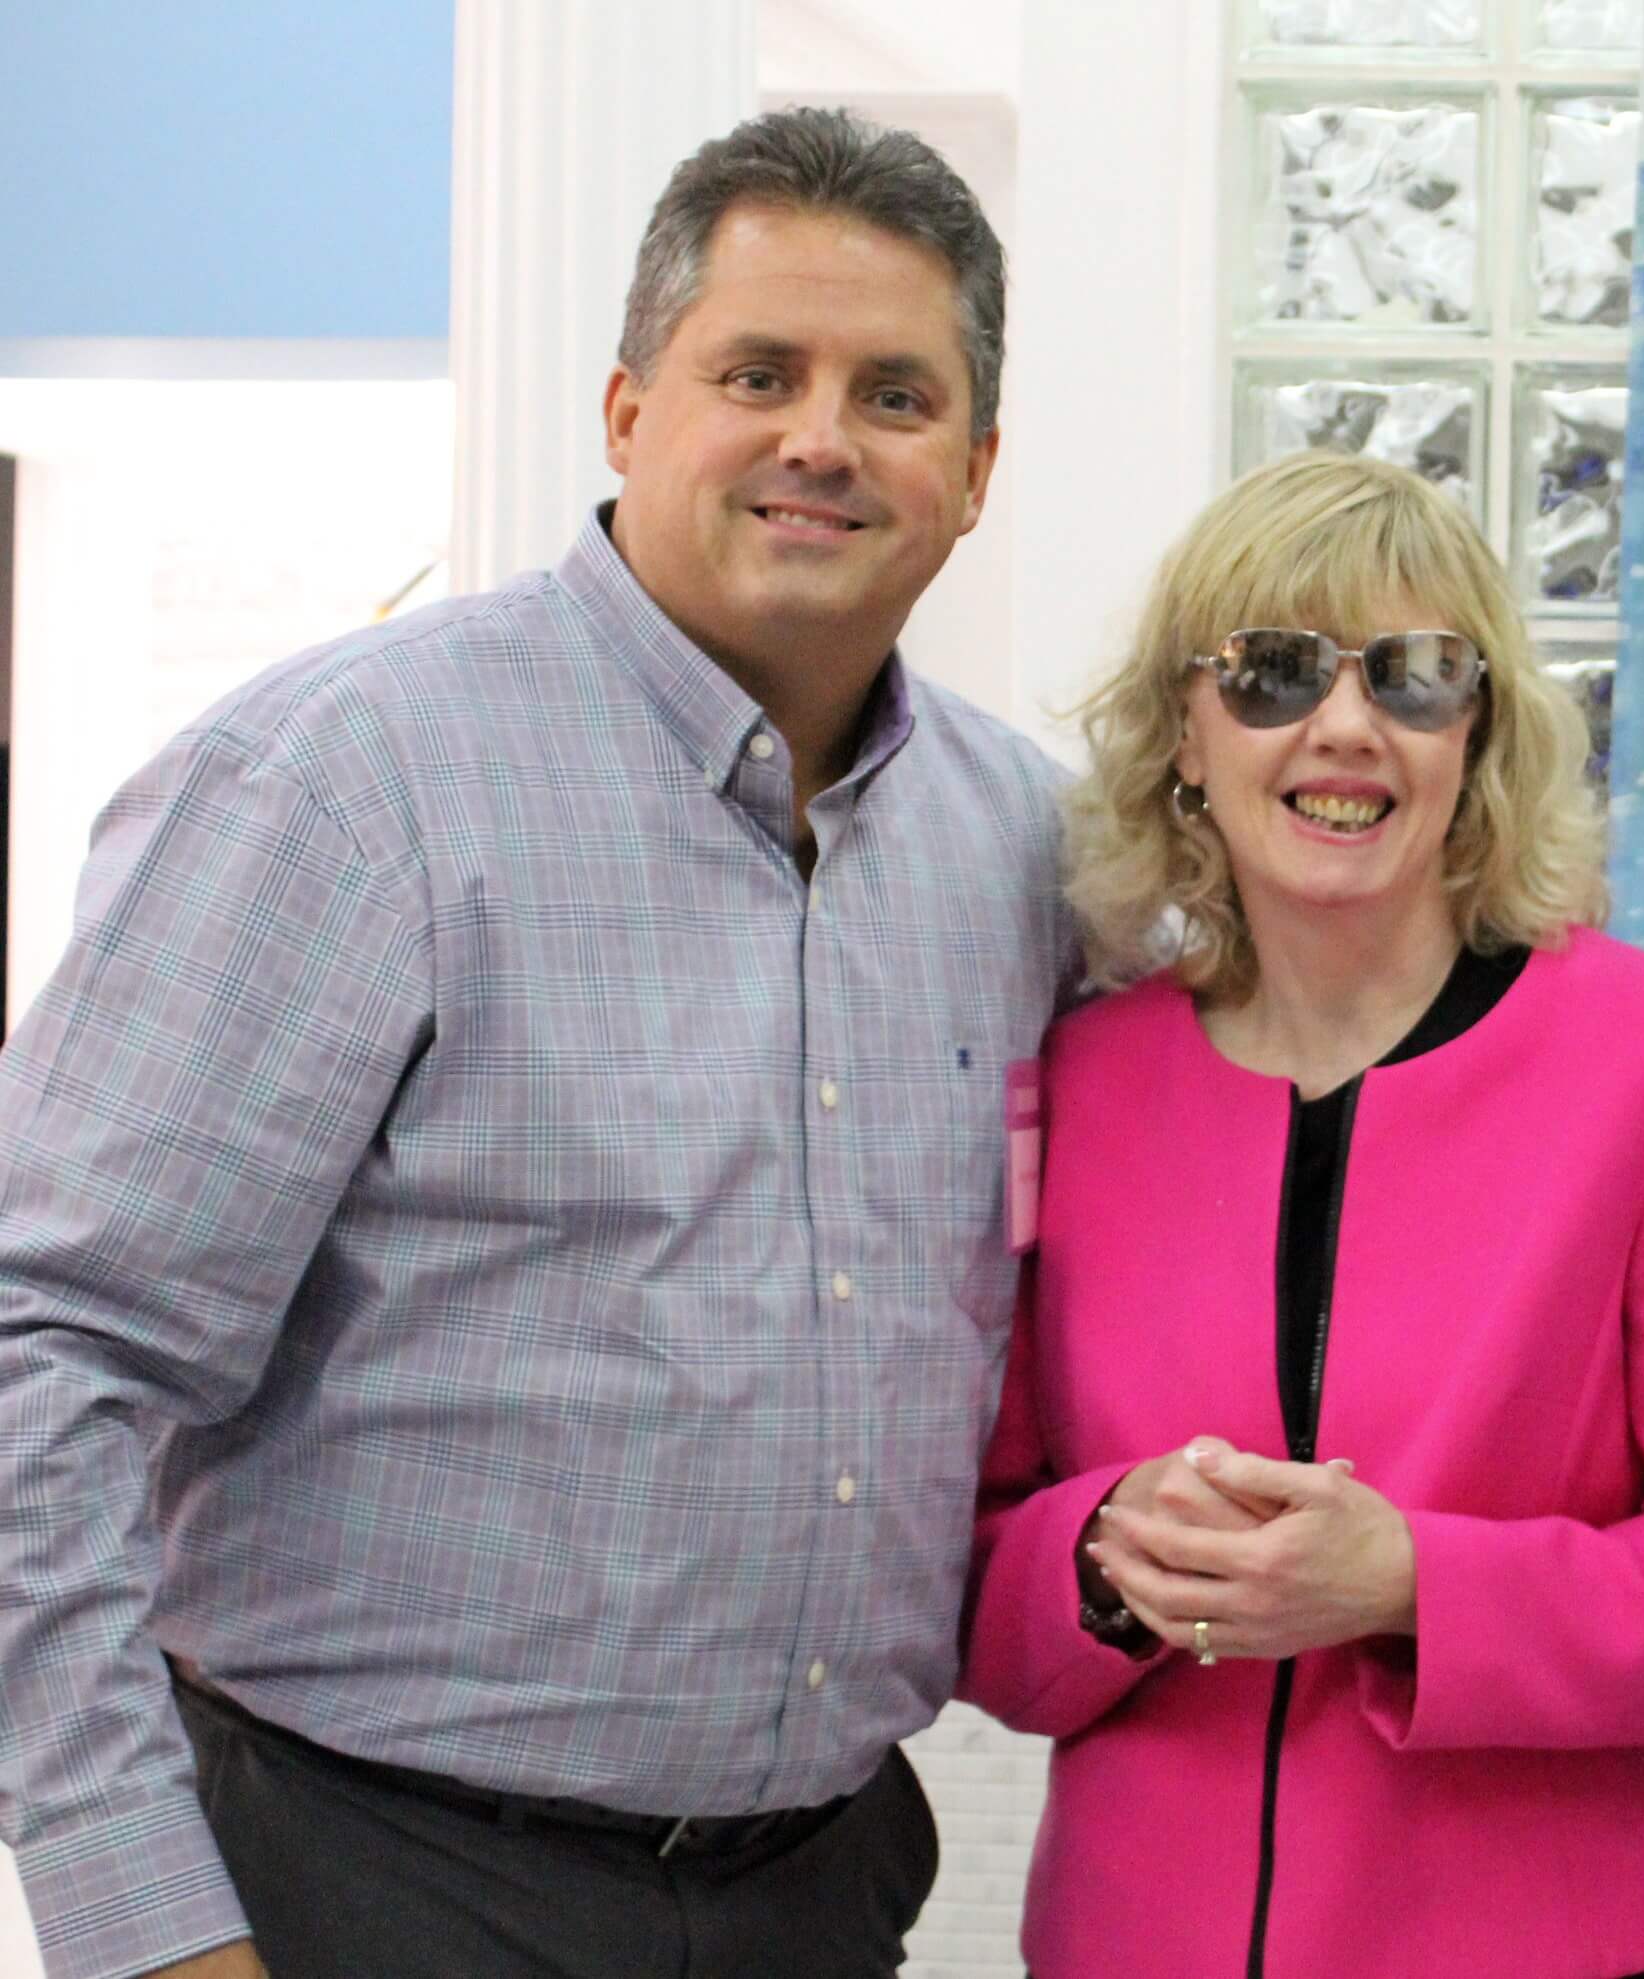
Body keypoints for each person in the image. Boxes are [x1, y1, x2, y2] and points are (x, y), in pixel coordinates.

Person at [0, 108, 1073, 1979]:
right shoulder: (345, 784)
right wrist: (140, 1924)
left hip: (815, 1894)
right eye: (759, 371)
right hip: (358, 1888)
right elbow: (46, 1356)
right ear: (627, 410)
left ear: (974, 473)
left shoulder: (1023, 850)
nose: (823, 435)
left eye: (894, 394)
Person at [958, 450, 1644, 1979]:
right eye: (1275, 671)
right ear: (1186, 729)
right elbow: (967, 1579)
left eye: (1419, 676)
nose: (1348, 726)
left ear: (1477, 732)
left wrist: (1415, 1586)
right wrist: (1099, 1556)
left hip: (1558, 1948)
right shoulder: (1080, 1075)